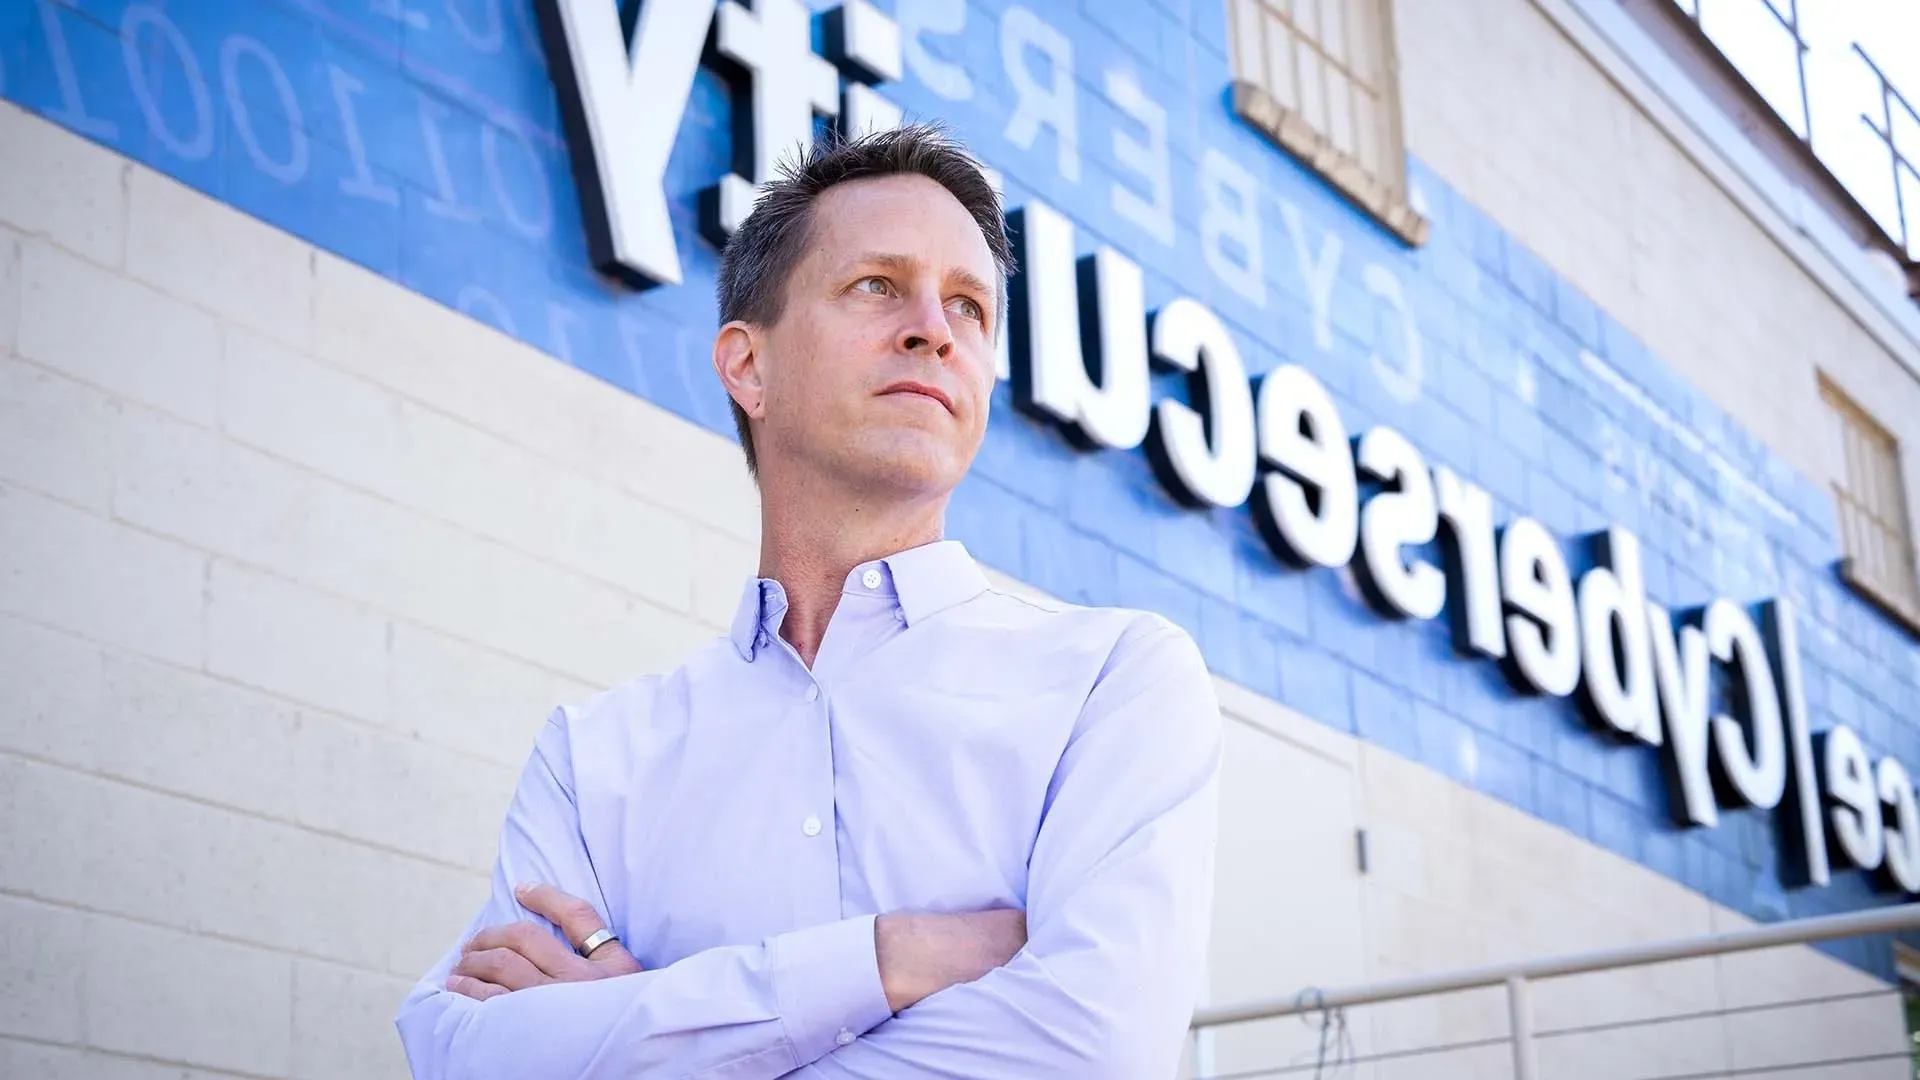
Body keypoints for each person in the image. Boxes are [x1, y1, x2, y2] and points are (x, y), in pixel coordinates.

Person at [394, 124, 1223, 1079]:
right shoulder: (594, 757)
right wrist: (885, 960)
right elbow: (461, 1058)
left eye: (970, 306)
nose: (935, 329)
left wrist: (627, 1017)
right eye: (878, 285)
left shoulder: (1113, 683)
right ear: (749, 366)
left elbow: (1091, 1056)